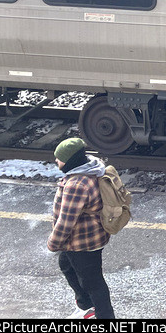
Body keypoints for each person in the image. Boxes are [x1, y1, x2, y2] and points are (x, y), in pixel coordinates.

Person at [48, 137, 115, 319]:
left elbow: (66, 222)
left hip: (83, 242)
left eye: (60, 158)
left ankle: (104, 317)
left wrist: (53, 243)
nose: (56, 161)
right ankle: (86, 306)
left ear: (70, 161)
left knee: (94, 283)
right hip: (89, 235)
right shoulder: (89, 170)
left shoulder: (77, 185)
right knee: (66, 264)